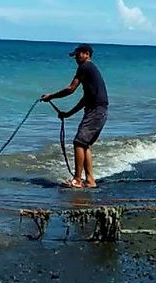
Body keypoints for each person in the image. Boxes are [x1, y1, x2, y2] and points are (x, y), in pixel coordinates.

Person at [41, 43, 108, 188]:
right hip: (99, 111)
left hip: (96, 111)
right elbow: (85, 99)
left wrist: (50, 96)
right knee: (84, 144)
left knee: (79, 142)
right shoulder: (91, 70)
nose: (76, 58)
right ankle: (90, 180)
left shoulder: (85, 67)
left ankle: (77, 180)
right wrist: (68, 114)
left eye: (77, 55)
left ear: (86, 54)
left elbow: (71, 89)